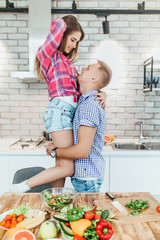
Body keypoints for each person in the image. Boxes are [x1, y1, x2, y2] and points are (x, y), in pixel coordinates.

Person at [10, 16, 106, 193]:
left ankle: (55, 206)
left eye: (77, 42)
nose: (74, 45)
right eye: (72, 40)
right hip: (60, 111)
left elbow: (87, 88)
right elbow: (58, 27)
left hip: (65, 113)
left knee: (62, 167)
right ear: (62, 35)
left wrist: (102, 93)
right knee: (67, 168)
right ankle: (21, 187)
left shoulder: (67, 63)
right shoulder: (49, 56)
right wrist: (67, 21)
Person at [46, 60, 112, 192]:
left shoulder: (89, 106)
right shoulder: (85, 101)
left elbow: (82, 151)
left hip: (88, 178)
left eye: (87, 68)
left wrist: (55, 151)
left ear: (94, 78)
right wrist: (104, 93)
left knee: (88, 212)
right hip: (86, 177)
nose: (83, 68)